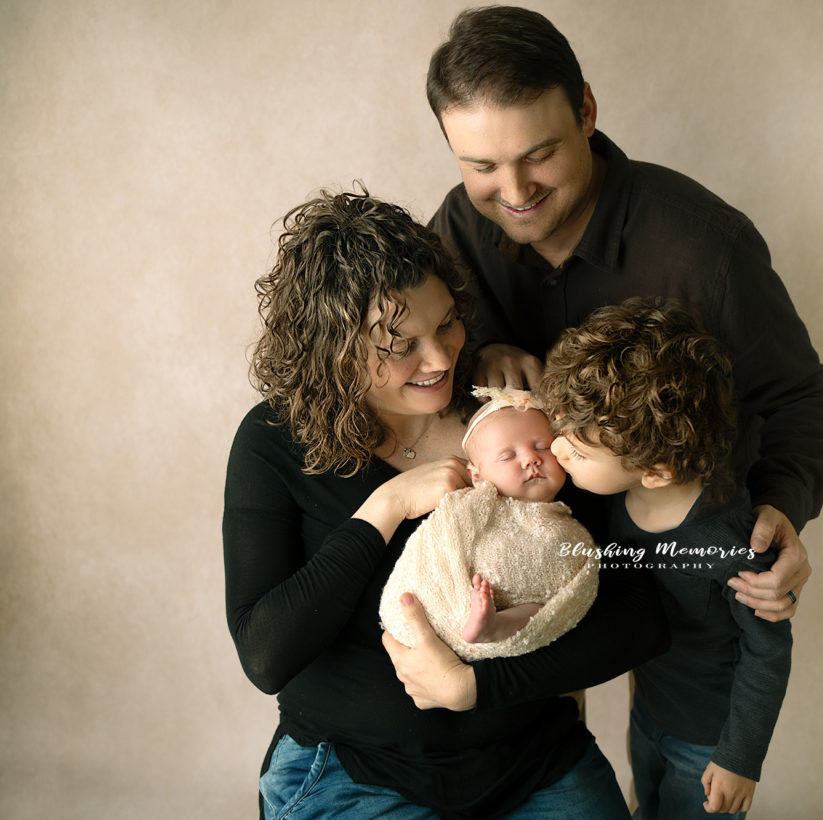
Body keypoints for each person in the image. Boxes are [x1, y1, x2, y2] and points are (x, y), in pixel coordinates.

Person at [223, 187, 667, 819]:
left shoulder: (514, 418)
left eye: (446, 324)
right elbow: (267, 655)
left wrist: (477, 687)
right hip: (350, 768)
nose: (439, 358)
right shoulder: (274, 443)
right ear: (332, 349)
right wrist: (385, 508)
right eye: (400, 345)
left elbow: (639, 616)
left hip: (531, 759)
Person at [425, 5, 823, 620]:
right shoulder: (457, 228)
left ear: (586, 111)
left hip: (683, 570)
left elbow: (797, 398)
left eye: (538, 155)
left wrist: (781, 507)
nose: (513, 193)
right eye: (482, 166)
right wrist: (478, 354)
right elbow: (417, 369)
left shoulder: (707, 247)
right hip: (523, 570)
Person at [539, 297, 792, 818]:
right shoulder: (610, 498)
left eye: (577, 451)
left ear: (655, 471)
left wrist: (740, 757)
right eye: (562, 431)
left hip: (708, 743)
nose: (556, 449)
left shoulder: (731, 544)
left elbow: (767, 653)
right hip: (649, 710)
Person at [379, 386, 599, 660]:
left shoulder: (571, 531)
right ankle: (480, 621)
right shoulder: (469, 507)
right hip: (453, 598)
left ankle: (493, 627)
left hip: (511, 614)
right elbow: (439, 543)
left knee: (541, 609)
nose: (531, 458)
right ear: (477, 476)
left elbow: (572, 597)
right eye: (508, 456)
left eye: (542, 447)